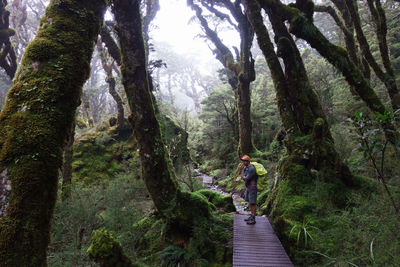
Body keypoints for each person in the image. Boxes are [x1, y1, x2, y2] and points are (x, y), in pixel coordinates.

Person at [241, 155, 258, 225]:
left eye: (244, 161)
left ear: (248, 161)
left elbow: (246, 178)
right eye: (243, 161)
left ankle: (253, 218)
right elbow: (244, 175)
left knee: (253, 202)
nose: (243, 162)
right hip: (248, 186)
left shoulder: (252, 169)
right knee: (250, 202)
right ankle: (251, 216)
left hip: (252, 186)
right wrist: (244, 176)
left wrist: (243, 177)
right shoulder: (245, 167)